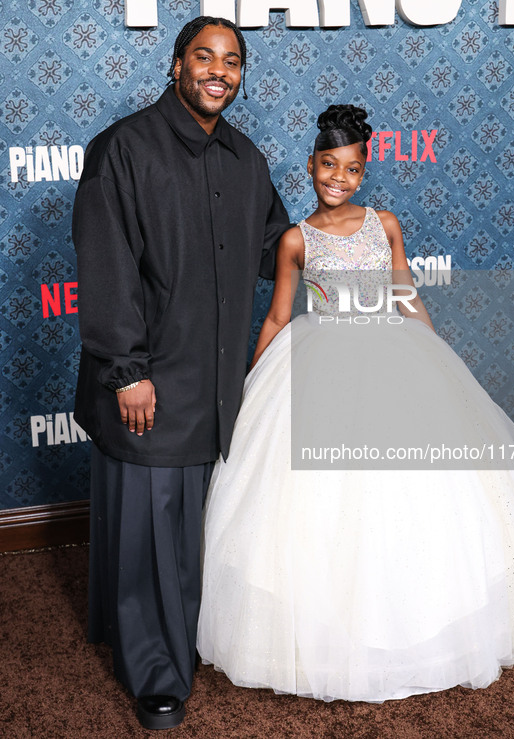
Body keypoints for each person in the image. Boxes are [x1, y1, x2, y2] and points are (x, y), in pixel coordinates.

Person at [197, 105, 514, 702]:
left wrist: (434, 357)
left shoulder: (387, 225)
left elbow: (405, 294)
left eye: (351, 169)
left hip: (391, 350)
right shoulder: (296, 239)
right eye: (329, 166)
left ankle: (415, 630)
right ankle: (328, 635)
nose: (339, 179)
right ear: (310, 166)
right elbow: (277, 315)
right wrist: (250, 388)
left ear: (364, 172)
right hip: (320, 357)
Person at [72, 16, 289, 730]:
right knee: (150, 531)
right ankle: (156, 672)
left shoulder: (244, 159)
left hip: (217, 385)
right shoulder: (124, 148)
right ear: (175, 65)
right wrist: (125, 369)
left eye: (232, 60)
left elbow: (274, 249)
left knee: (184, 532)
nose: (218, 71)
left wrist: (341, 247)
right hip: (150, 382)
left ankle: (154, 637)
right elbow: (106, 269)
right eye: (204, 56)